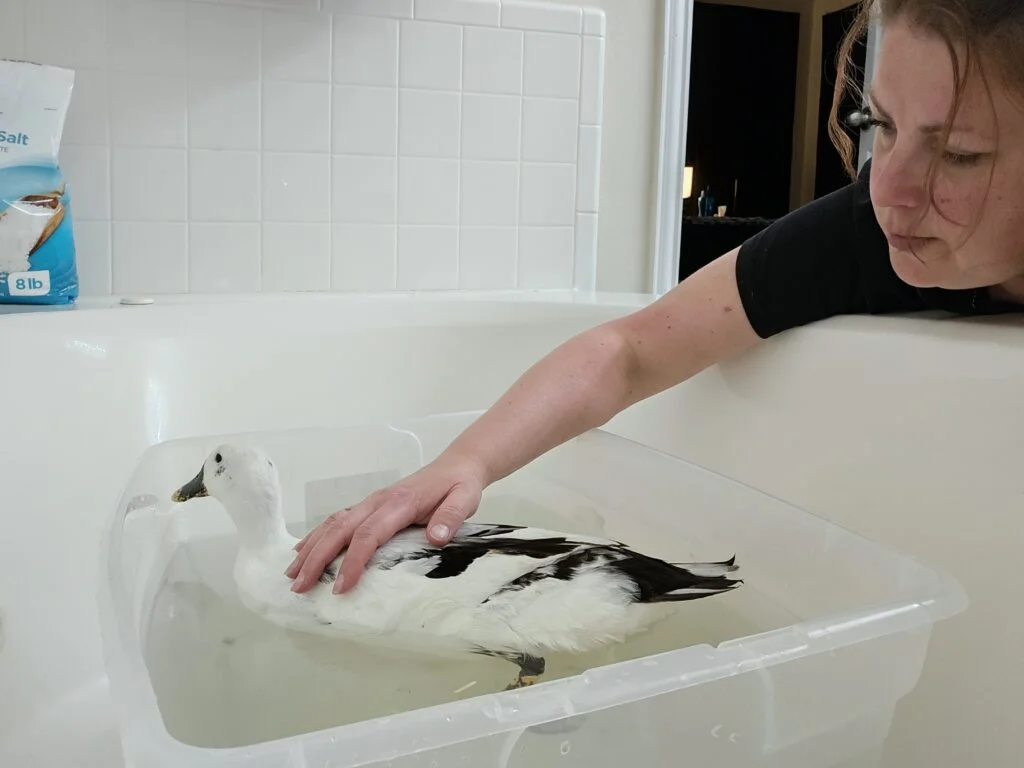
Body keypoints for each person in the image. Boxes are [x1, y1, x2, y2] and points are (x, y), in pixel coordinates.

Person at [287, 0, 1024, 595]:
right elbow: (629, 351)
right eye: (882, 126)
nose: (887, 187)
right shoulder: (869, 229)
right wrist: (461, 466)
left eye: (957, 153)